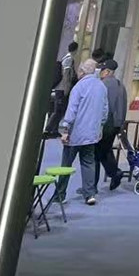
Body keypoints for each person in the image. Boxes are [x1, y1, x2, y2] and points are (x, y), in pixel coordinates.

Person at [56, 58, 108, 206]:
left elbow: (72, 111)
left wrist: (65, 129)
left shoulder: (78, 87)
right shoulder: (102, 87)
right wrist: (100, 127)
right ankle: (90, 194)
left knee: (66, 165)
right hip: (91, 134)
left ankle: (60, 195)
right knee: (88, 163)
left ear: (82, 71)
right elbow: (105, 111)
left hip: (75, 133)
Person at [96, 58, 132, 191]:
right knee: (105, 150)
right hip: (117, 124)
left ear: (107, 71)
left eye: (102, 70)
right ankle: (114, 172)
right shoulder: (120, 85)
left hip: (106, 123)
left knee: (96, 153)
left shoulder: (103, 85)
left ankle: (94, 184)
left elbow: (104, 107)